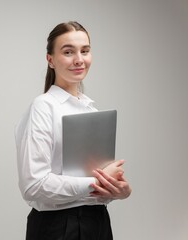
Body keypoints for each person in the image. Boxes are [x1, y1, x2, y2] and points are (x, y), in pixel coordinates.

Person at [15, 21, 132, 240]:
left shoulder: (92, 110)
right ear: (50, 60)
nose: (79, 59)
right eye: (68, 52)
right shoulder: (43, 107)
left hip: (98, 223)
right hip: (58, 227)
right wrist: (96, 182)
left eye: (85, 51)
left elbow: (94, 188)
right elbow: (33, 186)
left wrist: (119, 191)